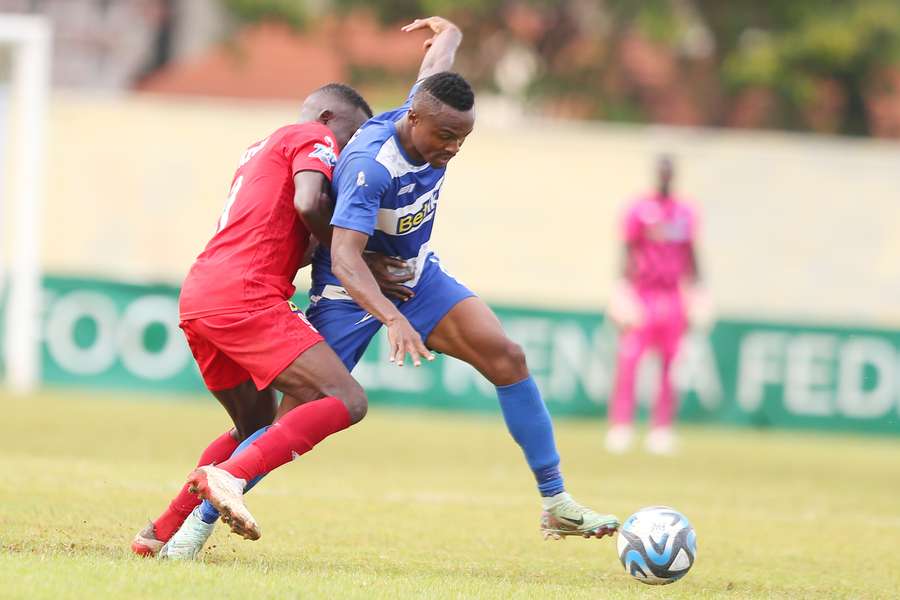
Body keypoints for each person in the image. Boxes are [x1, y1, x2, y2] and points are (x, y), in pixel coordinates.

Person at [159, 16, 619, 560]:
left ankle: (556, 502)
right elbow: (347, 259)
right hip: (346, 293)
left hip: (415, 275)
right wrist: (393, 319)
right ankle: (191, 529)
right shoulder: (367, 166)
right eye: (446, 136)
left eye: (462, 138)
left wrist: (450, 36)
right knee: (287, 424)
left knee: (508, 357)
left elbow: (434, 71)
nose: (452, 149)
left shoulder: (426, 113)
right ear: (414, 120)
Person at [130, 82, 381, 556]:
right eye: (349, 140)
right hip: (247, 298)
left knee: (255, 426)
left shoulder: (258, 150)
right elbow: (309, 204)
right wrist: (347, 250)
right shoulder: (313, 136)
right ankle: (225, 477)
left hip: (202, 293)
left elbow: (277, 224)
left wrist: (309, 247)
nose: (345, 155)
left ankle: (159, 532)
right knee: (346, 399)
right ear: (327, 117)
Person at [606, 155, 706, 455]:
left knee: (670, 365)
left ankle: (661, 428)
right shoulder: (639, 210)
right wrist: (622, 290)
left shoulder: (685, 212)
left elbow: (692, 254)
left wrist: (699, 291)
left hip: (673, 294)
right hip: (644, 292)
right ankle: (621, 425)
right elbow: (627, 251)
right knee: (630, 360)